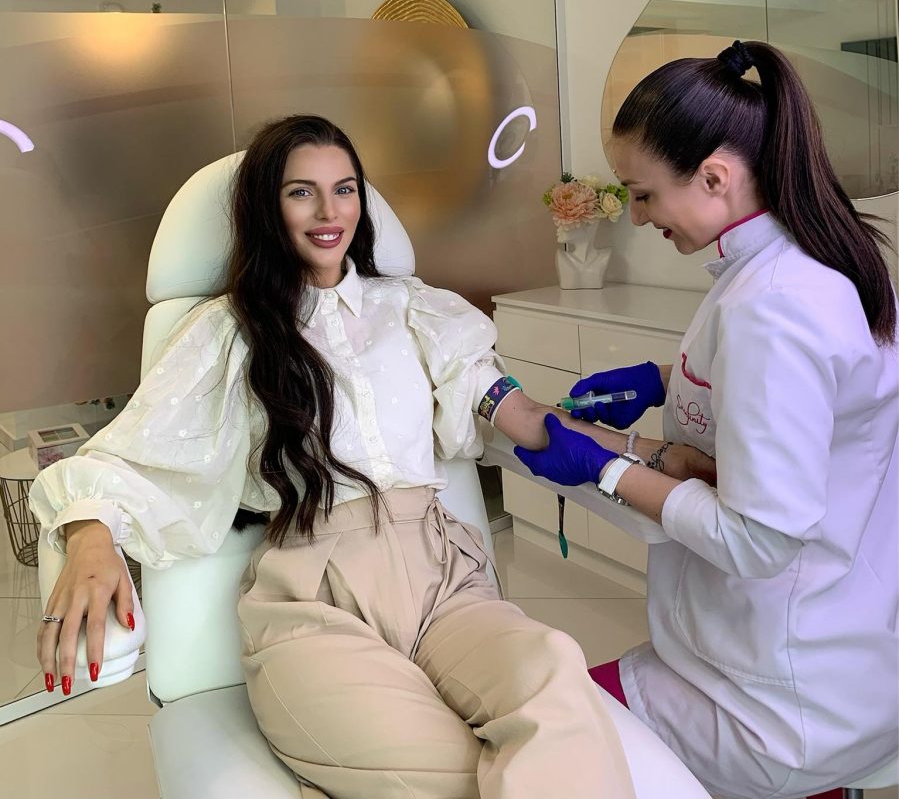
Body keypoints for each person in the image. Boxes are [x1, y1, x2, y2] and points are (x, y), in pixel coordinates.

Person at [30, 114, 636, 799]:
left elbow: (514, 410)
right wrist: (89, 531)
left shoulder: (415, 309)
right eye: (301, 193)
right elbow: (134, 452)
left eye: (344, 189)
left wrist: (640, 453)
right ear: (267, 208)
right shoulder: (226, 332)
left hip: (444, 582)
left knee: (553, 673)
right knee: (453, 773)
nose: (329, 212)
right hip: (313, 603)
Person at [514, 41, 898, 799]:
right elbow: (801, 399)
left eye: (643, 195)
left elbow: (759, 539)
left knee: (547, 731)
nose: (637, 216)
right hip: (823, 645)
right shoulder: (807, 263)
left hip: (780, 696)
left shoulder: (774, 306)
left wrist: (608, 469)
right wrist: (665, 383)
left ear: (715, 177)